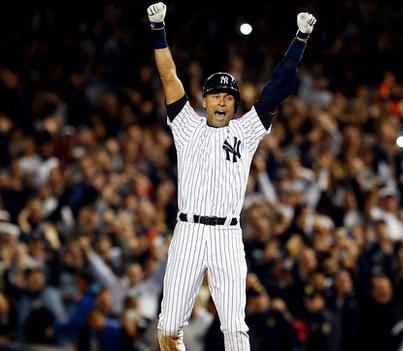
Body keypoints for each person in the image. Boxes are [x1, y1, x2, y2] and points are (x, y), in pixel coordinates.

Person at [146, 2, 316, 350]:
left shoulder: (246, 130)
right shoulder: (185, 125)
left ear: (234, 104)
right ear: (204, 100)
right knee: (167, 327)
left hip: (226, 235)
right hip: (189, 232)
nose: (221, 102)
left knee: (236, 328)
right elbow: (168, 76)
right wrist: (158, 30)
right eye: (215, 96)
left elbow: (278, 86)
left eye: (228, 97)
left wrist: (300, 39)